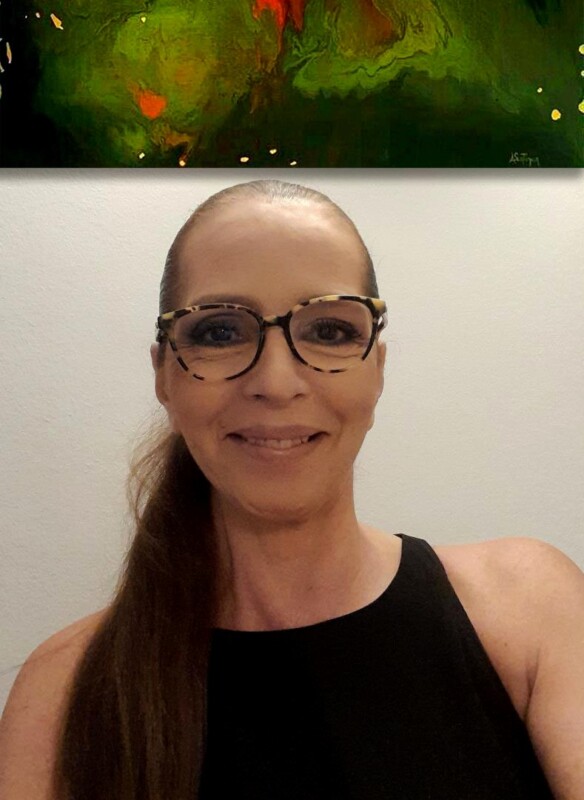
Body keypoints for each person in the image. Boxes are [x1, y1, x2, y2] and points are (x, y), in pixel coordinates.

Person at [0, 179, 583, 800]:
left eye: (328, 330)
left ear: (377, 370)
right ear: (165, 377)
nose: (277, 383)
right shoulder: (63, 691)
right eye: (220, 333)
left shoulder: (529, 607)